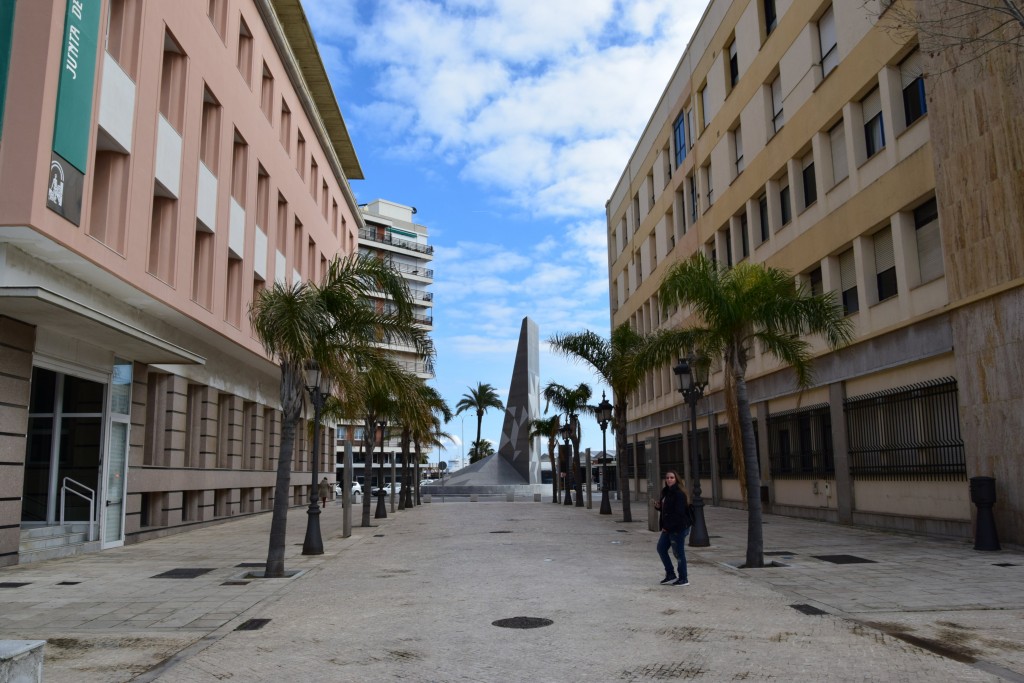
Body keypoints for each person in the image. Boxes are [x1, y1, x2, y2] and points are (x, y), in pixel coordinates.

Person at [653, 470, 691, 586]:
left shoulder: (679, 493)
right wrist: (659, 507)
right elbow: (667, 510)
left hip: (677, 528)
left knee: (678, 553)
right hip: (668, 527)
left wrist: (667, 527)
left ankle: (683, 578)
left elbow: (679, 513)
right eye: (667, 477)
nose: (669, 479)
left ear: (676, 479)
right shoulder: (666, 492)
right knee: (661, 548)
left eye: (672, 477)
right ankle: (670, 575)